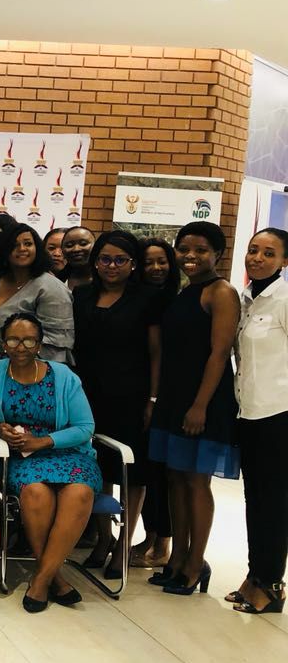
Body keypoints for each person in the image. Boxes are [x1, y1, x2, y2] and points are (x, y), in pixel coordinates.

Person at [0, 312, 100, 612]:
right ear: (3, 344)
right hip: (20, 456)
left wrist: (43, 441)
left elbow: (85, 426)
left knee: (80, 492)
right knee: (35, 493)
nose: (21, 347)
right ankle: (55, 577)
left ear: (40, 344)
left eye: (29, 340)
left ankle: (41, 580)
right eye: (13, 340)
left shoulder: (64, 376)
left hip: (68, 453)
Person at [148, 221, 239, 596]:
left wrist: (200, 405)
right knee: (176, 478)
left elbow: (219, 354)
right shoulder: (186, 292)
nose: (190, 256)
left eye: (200, 250)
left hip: (204, 400)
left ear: (217, 254)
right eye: (184, 248)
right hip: (175, 396)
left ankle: (195, 562)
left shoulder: (221, 292)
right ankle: (177, 558)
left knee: (197, 481)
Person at [71, 230, 162, 580]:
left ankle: (124, 543)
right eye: (105, 259)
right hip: (88, 395)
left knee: (131, 471)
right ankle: (103, 537)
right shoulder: (83, 294)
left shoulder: (147, 298)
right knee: (97, 466)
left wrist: (153, 398)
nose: (112, 266)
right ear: (96, 262)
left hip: (132, 395)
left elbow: (156, 353)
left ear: (133, 264)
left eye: (120, 260)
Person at [231, 228, 288, 614]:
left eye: (269, 253)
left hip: (278, 415)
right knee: (256, 499)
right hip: (249, 412)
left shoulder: (283, 299)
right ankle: (255, 576)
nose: (257, 258)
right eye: (253, 250)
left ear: (284, 261)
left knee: (274, 502)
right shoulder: (247, 298)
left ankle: (271, 585)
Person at [133, 238, 180, 567]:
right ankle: (150, 538)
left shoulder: (173, 300)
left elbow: (159, 353)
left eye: (161, 261)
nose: (155, 268)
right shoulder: (141, 297)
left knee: (162, 474)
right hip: (143, 392)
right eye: (148, 262)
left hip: (166, 395)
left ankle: (162, 544)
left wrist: (154, 397)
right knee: (148, 471)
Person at [0, 222, 74, 363]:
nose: (22, 249)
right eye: (14, 245)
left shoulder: (51, 287)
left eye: (28, 244)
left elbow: (55, 346)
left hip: (31, 369)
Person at [61, 226, 96, 290]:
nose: (76, 249)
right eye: (69, 245)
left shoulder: (108, 280)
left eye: (83, 244)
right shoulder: (56, 281)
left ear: (96, 246)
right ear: (62, 250)